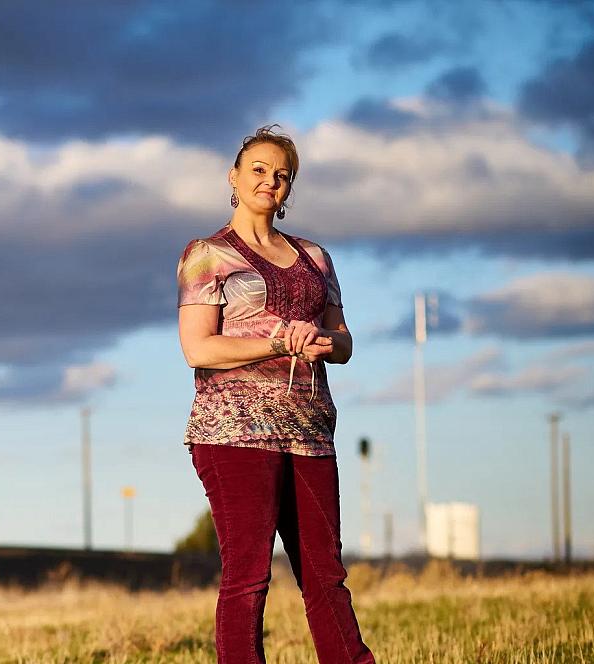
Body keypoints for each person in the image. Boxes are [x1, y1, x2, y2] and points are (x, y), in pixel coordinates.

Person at [176, 125, 376, 664]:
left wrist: (323, 341)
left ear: (290, 190)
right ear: (234, 178)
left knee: (325, 575)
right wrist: (271, 341)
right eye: (259, 170)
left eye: (282, 175)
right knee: (248, 575)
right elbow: (198, 349)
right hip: (233, 431)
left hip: (310, 432)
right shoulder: (207, 255)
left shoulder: (315, 257)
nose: (271, 181)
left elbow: (346, 342)